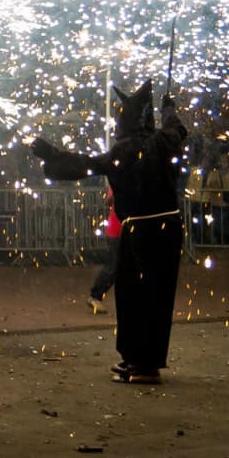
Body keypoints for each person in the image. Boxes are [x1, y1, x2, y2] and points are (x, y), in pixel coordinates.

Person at [33, 81, 187, 385]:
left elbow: (88, 165)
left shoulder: (127, 148)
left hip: (142, 231)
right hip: (164, 229)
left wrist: (52, 155)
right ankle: (138, 359)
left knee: (138, 297)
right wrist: (169, 109)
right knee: (147, 295)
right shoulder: (163, 141)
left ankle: (143, 365)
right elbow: (177, 129)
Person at [88, 189, 121, 315]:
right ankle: (95, 296)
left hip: (123, 230)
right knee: (113, 267)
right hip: (117, 231)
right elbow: (108, 201)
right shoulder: (121, 181)